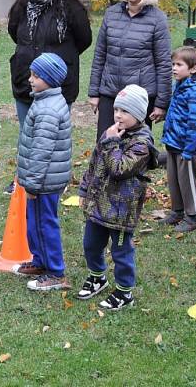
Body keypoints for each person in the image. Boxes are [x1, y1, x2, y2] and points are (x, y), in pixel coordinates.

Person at [7, 0, 92, 194]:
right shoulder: (23, 5)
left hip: (58, 83)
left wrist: (57, 60)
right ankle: (22, 179)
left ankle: (56, 179)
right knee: (28, 132)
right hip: (27, 79)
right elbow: (14, 31)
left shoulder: (70, 8)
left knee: (53, 134)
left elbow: (84, 39)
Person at [77, 84, 158, 311]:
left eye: (125, 111)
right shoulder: (110, 133)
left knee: (121, 251)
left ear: (139, 114)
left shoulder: (142, 143)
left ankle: (124, 291)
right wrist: (84, 189)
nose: (118, 116)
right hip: (100, 202)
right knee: (91, 244)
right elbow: (95, 163)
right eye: (116, 110)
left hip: (123, 209)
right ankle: (97, 276)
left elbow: (120, 169)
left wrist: (111, 142)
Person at [88, 0, 172, 140]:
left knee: (134, 152)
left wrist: (161, 103)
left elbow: (164, 64)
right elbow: (99, 56)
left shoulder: (157, 19)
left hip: (139, 98)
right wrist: (94, 92)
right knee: (105, 145)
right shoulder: (111, 14)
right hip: (110, 93)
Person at [13, 53, 73, 291]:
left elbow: (41, 151)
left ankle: (56, 272)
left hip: (44, 182)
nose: (30, 79)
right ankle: (40, 262)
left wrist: (33, 184)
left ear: (50, 79)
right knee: (34, 222)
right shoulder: (43, 100)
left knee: (44, 224)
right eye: (31, 74)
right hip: (40, 179)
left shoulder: (48, 110)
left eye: (36, 76)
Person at [160, 46, 196, 233]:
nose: (174, 68)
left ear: (193, 69)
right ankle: (177, 211)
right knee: (174, 179)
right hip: (173, 142)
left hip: (185, 146)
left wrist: (189, 149)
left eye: (179, 65)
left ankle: (192, 217)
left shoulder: (195, 91)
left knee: (187, 180)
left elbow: (195, 122)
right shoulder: (180, 86)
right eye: (173, 64)